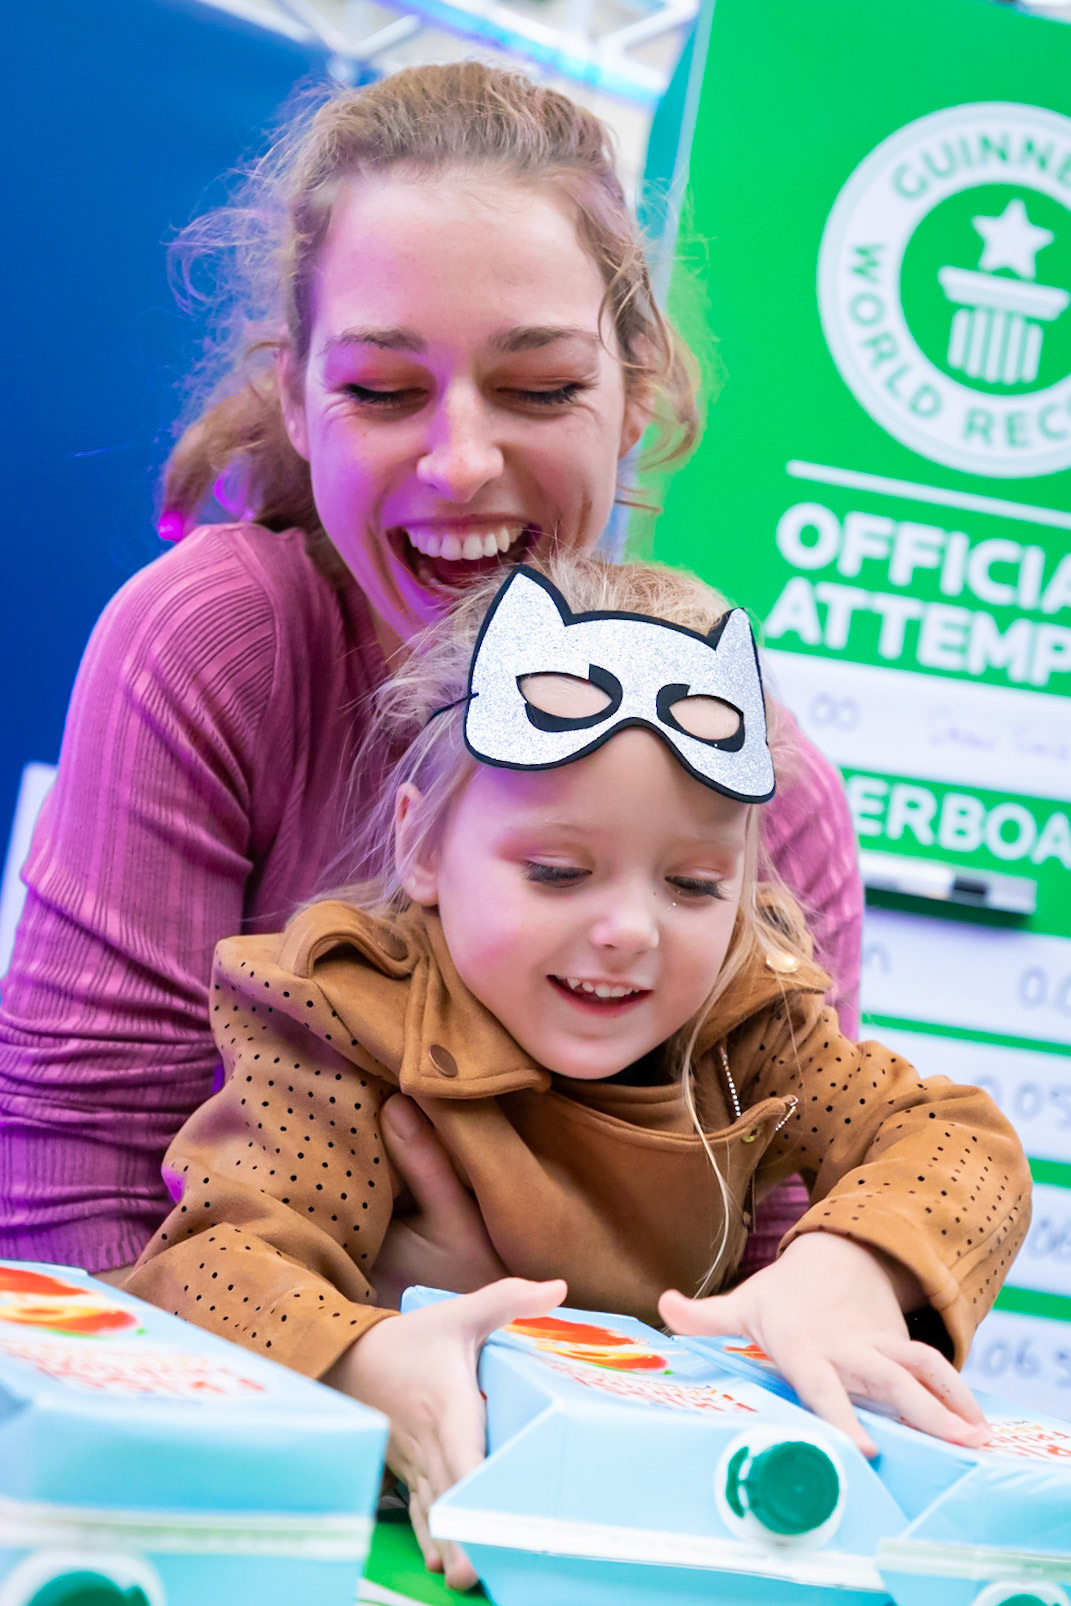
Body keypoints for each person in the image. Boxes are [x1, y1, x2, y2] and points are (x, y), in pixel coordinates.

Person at [0, 63, 860, 1282]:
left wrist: (524, 1335)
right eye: (384, 390)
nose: (461, 462)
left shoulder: (769, 786)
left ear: (635, 397)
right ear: (297, 400)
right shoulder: (213, 651)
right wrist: (337, 1367)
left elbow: (790, 1233)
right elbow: (73, 1169)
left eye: (541, 387)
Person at [127, 552, 1030, 1591]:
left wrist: (848, 1272)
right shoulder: (344, 1016)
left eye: (694, 884)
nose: (627, 931)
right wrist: (369, 1367)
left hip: (663, 1538)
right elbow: (204, 1268)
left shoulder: (752, 1028)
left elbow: (955, 1141)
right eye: (556, 871)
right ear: (423, 846)